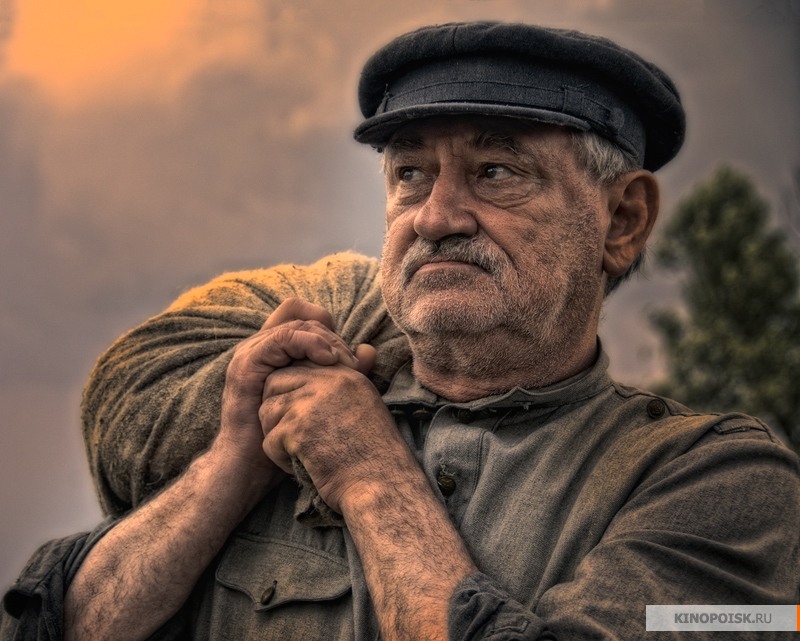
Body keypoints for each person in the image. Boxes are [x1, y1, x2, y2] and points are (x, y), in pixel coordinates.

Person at [2, 21, 798, 641]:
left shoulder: (721, 483)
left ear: (621, 219)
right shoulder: (290, 412)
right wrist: (233, 462)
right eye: (410, 174)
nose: (438, 217)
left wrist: (371, 474)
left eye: (496, 173)